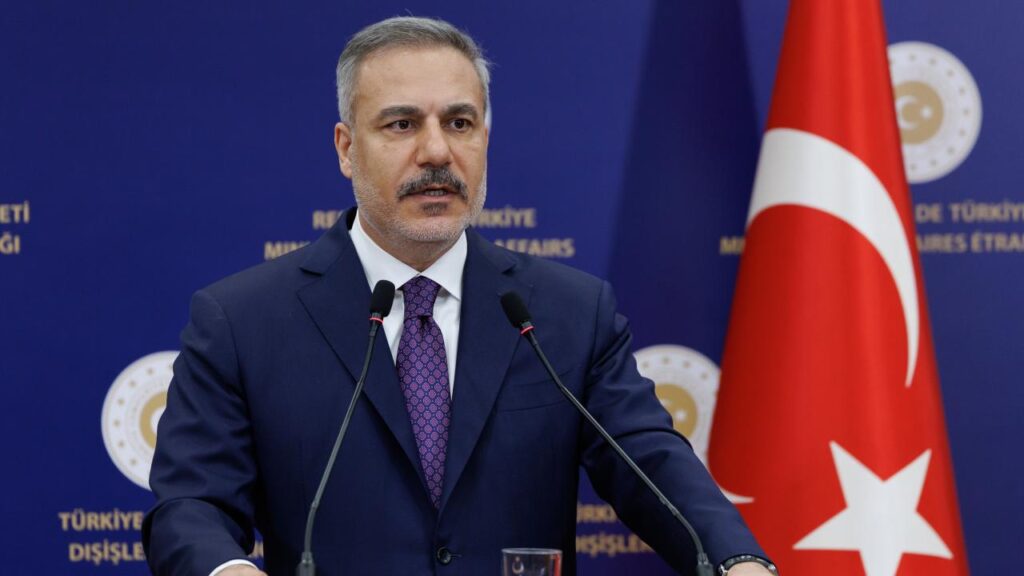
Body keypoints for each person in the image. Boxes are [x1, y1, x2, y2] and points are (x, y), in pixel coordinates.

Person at [142, 16, 776, 576]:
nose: (437, 151)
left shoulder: (567, 312)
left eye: (459, 122)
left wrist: (737, 561)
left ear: (484, 140)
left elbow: (653, 465)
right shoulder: (244, 321)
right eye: (402, 124)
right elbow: (190, 505)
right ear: (346, 149)